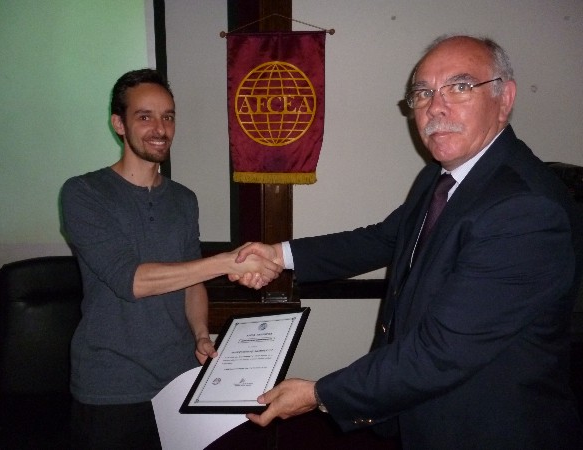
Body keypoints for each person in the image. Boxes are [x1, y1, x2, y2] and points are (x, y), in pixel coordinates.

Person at [234, 35, 583, 449]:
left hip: (490, 427)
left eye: (459, 87)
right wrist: (279, 254)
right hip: (430, 413)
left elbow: (441, 351)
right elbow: (383, 238)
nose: (436, 107)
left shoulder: (524, 210)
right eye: (422, 93)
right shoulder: (442, 177)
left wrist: (319, 395)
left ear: (504, 97)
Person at [60, 68, 281, 449]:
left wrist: (200, 334)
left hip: (180, 377)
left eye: (168, 116)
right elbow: (133, 281)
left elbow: (191, 283)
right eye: (144, 116)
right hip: (111, 386)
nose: (159, 128)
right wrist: (227, 262)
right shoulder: (83, 193)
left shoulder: (183, 199)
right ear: (119, 124)